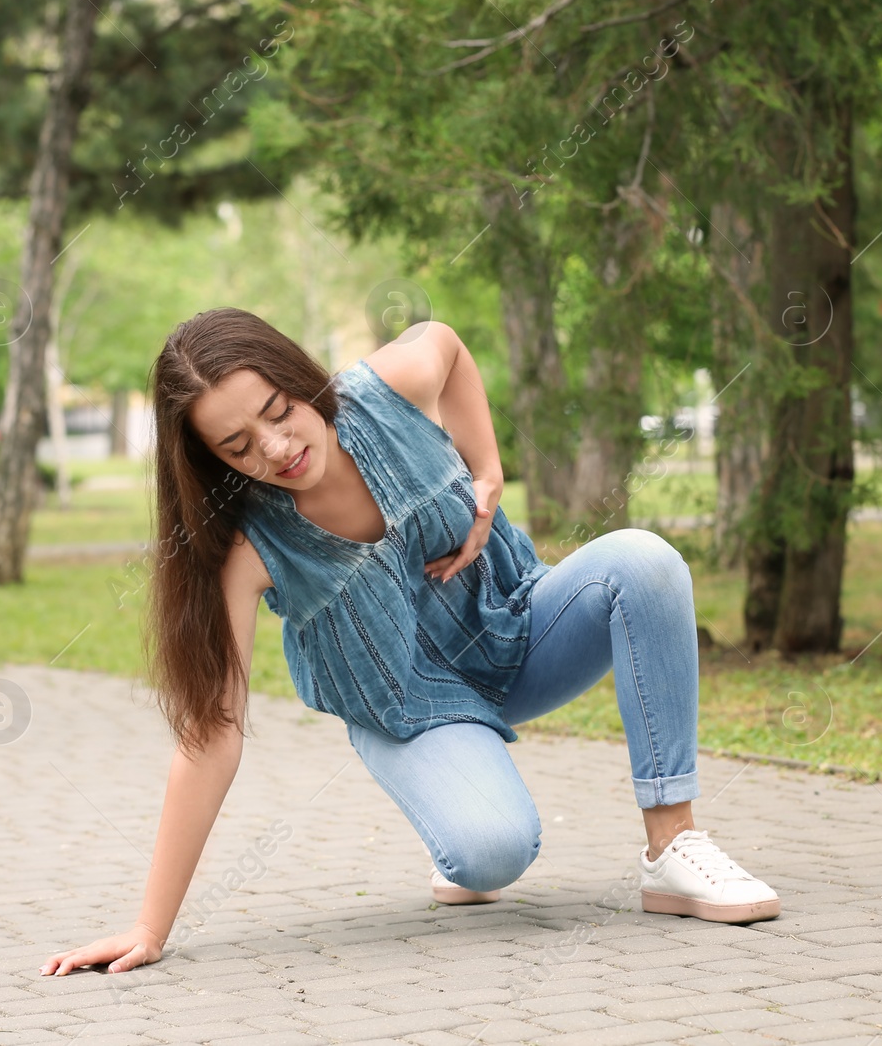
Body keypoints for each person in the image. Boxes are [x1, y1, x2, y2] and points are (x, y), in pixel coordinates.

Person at [39, 307, 780, 977]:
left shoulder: (381, 392)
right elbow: (211, 735)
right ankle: (457, 815)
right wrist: (149, 925)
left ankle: (672, 849)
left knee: (644, 562)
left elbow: (447, 344)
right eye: (239, 445)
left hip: (521, 628)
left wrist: (487, 469)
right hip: (413, 707)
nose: (276, 445)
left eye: (279, 410)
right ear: (214, 462)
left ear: (301, 379)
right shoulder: (248, 550)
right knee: (494, 851)